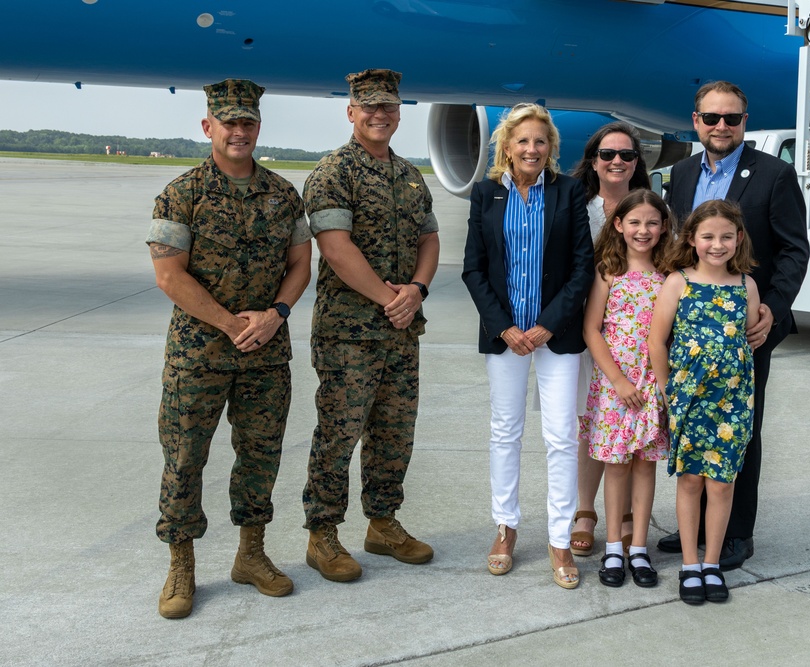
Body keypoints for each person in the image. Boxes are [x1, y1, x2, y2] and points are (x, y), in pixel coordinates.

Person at [147, 79, 312, 619]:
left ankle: (251, 555)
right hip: (198, 355)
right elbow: (169, 275)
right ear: (208, 127)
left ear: (258, 128)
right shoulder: (181, 193)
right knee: (185, 458)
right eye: (229, 122)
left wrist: (276, 314)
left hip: (266, 353)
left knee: (260, 457)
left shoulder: (283, 194)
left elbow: (301, 265)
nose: (239, 131)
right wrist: (229, 323)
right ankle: (181, 564)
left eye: (248, 122)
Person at [656, 81, 809, 570]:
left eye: (732, 118)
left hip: (745, 327)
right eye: (712, 117)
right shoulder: (680, 173)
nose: (722, 126)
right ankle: (695, 529)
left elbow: (793, 250)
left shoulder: (775, 174)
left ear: (745, 121)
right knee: (691, 430)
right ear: (696, 120)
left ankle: (737, 532)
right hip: (690, 326)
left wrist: (773, 310)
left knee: (739, 432)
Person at [302, 69, 440, 583]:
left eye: (389, 107)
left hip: (401, 330)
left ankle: (382, 523)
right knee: (339, 433)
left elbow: (430, 238)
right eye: (369, 107)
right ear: (351, 111)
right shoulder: (333, 172)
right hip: (349, 333)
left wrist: (417, 291)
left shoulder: (409, 174)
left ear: (399, 113)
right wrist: (391, 299)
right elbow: (337, 249)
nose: (379, 115)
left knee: (394, 433)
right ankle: (322, 534)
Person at [463, 102, 594, 589]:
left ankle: (560, 539)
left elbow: (583, 266)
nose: (532, 149)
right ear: (507, 146)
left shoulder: (568, 192)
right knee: (505, 432)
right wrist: (505, 327)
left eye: (540, 141)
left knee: (561, 435)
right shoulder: (485, 194)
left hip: (554, 335)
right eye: (523, 141)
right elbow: (473, 268)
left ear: (551, 147)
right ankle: (506, 527)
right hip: (505, 337)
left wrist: (545, 326)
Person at [650, 199, 760, 603]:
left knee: (721, 484)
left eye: (726, 237)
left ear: (739, 239)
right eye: (708, 236)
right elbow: (656, 341)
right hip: (689, 400)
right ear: (692, 239)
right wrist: (667, 390)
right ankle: (690, 565)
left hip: (732, 402)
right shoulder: (678, 281)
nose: (717, 244)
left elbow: (748, 336)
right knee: (691, 480)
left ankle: (712, 564)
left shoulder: (746, 285)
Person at [567, 122, 651, 558]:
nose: (617, 161)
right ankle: (585, 511)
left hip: (634, 336)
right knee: (590, 422)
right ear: (593, 160)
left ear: (638, 161)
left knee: (632, 420)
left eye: (627, 154)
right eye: (607, 154)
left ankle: (626, 512)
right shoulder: (576, 205)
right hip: (584, 330)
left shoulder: (652, 210)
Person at [580, 189, 671, 588]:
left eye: (652, 222)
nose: (643, 230)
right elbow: (591, 329)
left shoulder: (670, 275)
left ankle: (639, 548)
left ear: (664, 227)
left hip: (652, 385)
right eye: (634, 222)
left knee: (644, 464)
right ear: (618, 225)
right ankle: (614, 545)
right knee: (616, 464)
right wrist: (617, 380)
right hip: (616, 385)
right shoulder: (608, 271)